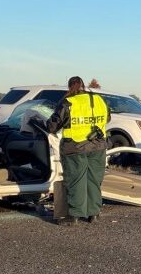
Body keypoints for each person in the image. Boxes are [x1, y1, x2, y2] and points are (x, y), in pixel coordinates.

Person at [46, 76, 110, 226]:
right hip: (98, 145)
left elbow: (52, 126)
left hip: (74, 147)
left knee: (76, 180)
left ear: (69, 87)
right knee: (94, 179)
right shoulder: (99, 99)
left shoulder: (68, 102)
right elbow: (107, 118)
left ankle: (74, 215)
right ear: (83, 85)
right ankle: (94, 213)